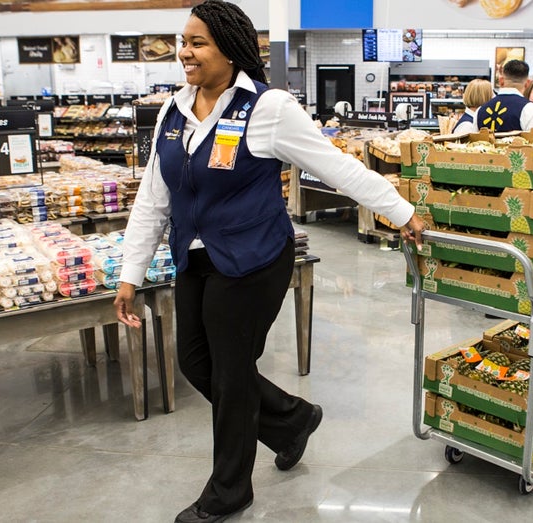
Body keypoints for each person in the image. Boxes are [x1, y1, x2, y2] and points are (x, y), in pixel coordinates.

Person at [113, 2, 425, 522]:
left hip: (256, 260)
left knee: (232, 374)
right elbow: (153, 200)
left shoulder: (268, 108)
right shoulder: (173, 111)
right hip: (196, 258)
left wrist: (401, 212)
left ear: (231, 50)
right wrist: (129, 274)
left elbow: (336, 166)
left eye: (197, 43)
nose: (184, 53)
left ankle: (230, 489)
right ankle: (291, 420)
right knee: (196, 363)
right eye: (183, 42)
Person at [476, 59, 533, 140]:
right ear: (527, 84)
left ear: (501, 81)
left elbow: (471, 145)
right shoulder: (531, 110)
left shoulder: (480, 110)